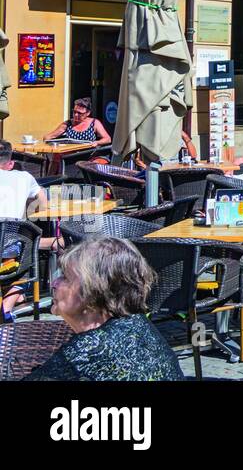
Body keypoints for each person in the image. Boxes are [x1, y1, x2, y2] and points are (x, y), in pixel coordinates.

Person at [24, 238, 183, 380]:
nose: (54, 284)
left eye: (65, 277)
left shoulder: (88, 350)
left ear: (93, 292)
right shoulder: (138, 324)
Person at [1, 150, 52, 322]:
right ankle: (6, 309)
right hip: (10, 250)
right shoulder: (24, 177)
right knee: (23, 264)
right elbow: (43, 205)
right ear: (10, 163)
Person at [43, 97, 110, 144]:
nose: (76, 115)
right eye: (74, 112)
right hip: (69, 156)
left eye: (79, 113)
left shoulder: (94, 123)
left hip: (88, 155)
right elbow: (48, 137)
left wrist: (97, 143)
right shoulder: (68, 124)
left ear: (88, 113)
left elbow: (107, 139)